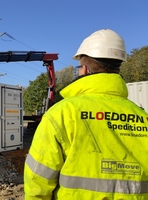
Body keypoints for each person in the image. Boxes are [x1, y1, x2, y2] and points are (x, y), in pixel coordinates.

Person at [24, 29, 148, 199]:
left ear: (86, 70)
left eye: (78, 67)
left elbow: (37, 181)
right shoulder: (143, 117)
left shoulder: (62, 114)